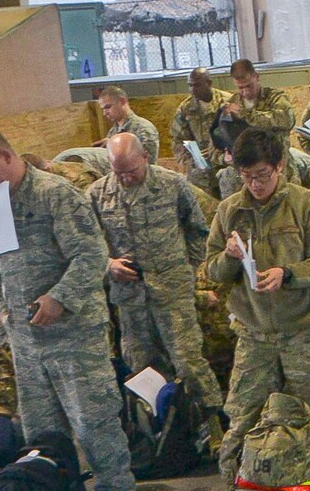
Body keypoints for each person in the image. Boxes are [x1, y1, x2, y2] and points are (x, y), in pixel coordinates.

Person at [0, 131, 137, 491]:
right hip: (26, 341)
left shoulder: (55, 194)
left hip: (73, 332)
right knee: (42, 431)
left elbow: (91, 254)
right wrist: (3, 310)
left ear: (7, 156)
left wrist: (59, 298)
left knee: (93, 420)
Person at [202, 129, 310, 491]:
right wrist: (230, 258)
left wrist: (288, 274)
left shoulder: (307, 206)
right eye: (247, 176)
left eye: (263, 175)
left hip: (306, 332)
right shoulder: (230, 211)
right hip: (254, 335)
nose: (255, 184)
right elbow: (211, 269)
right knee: (241, 420)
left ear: (281, 166)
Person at [90, 132, 223, 434]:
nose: (124, 178)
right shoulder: (97, 194)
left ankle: (213, 424)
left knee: (188, 362)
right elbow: (89, 245)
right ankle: (161, 431)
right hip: (129, 299)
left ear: (145, 157)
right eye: (117, 171)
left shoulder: (172, 185)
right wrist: (108, 265)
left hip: (172, 291)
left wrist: (186, 270)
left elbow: (198, 232)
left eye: (131, 171)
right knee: (142, 368)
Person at [219, 59, 296, 195]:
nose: (245, 92)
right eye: (240, 88)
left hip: (278, 169)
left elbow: (285, 120)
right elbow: (221, 137)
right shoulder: (232, 103)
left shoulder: (275, 97)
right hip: (246, 175)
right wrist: (225, 156)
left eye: (249, 86)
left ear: (257, 77)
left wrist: (245, 115)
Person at [170, 67, 230, 199]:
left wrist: (220, 153)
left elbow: (237, 135)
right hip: (200, 173)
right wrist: (193, 159)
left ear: (208, 83)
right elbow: (179, 140)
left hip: (225, 168)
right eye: (190, 85)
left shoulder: (227, 103)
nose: (192, 89)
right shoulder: (186, 108)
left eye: (196, 85)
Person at [96, 85, 160, 161]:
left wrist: (115, 145)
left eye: (108, 107)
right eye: (103, 109)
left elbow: (146, 161)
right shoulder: (113, 131)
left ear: (122, 101)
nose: (105, 113)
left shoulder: (143, 128)